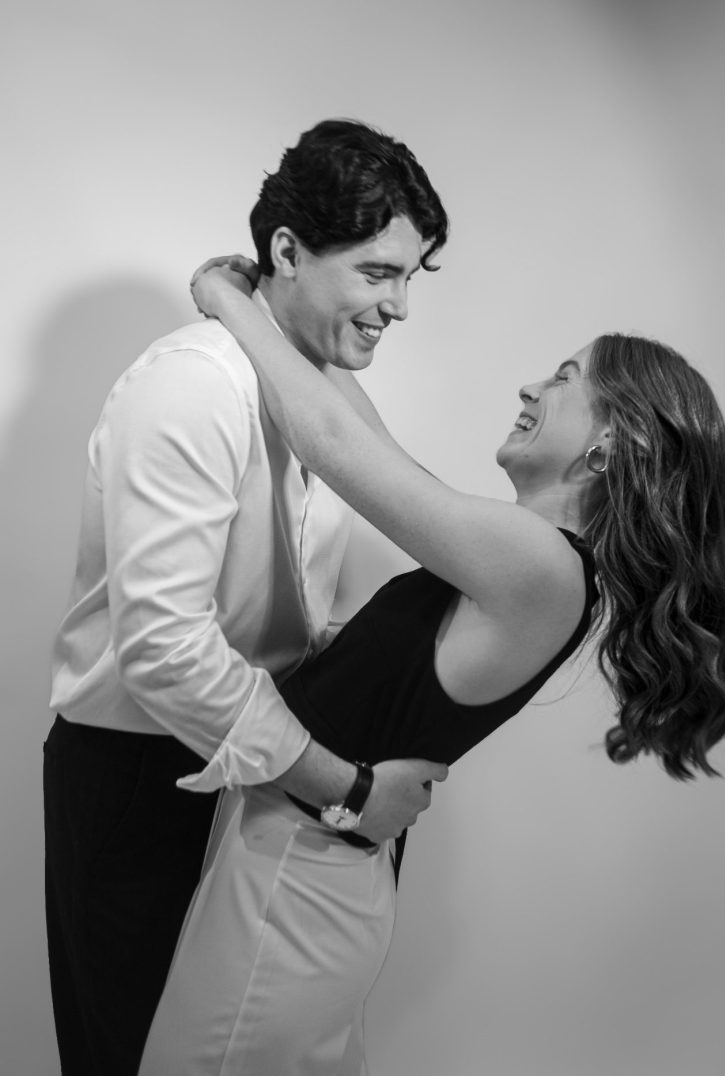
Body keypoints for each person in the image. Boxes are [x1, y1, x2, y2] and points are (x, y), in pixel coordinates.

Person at [138, 262, 725, 1076]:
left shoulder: (537, 564)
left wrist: (224, 298)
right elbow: (371, 447)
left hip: (297, 879)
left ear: (608, 445)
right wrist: (292, 317)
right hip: (306, 872)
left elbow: (333, 445)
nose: (531, 387)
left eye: (564, 378)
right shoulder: (529, 560)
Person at [43, 119, 449, 1076]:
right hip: (142, 782)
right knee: (130, 1055)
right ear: (288, 253)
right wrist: (348, 790)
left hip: (263, 775)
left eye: (410, 277)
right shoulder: (190, 387)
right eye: (378, 272)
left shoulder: (316, 396)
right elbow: (164, 651)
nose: (398, 306)